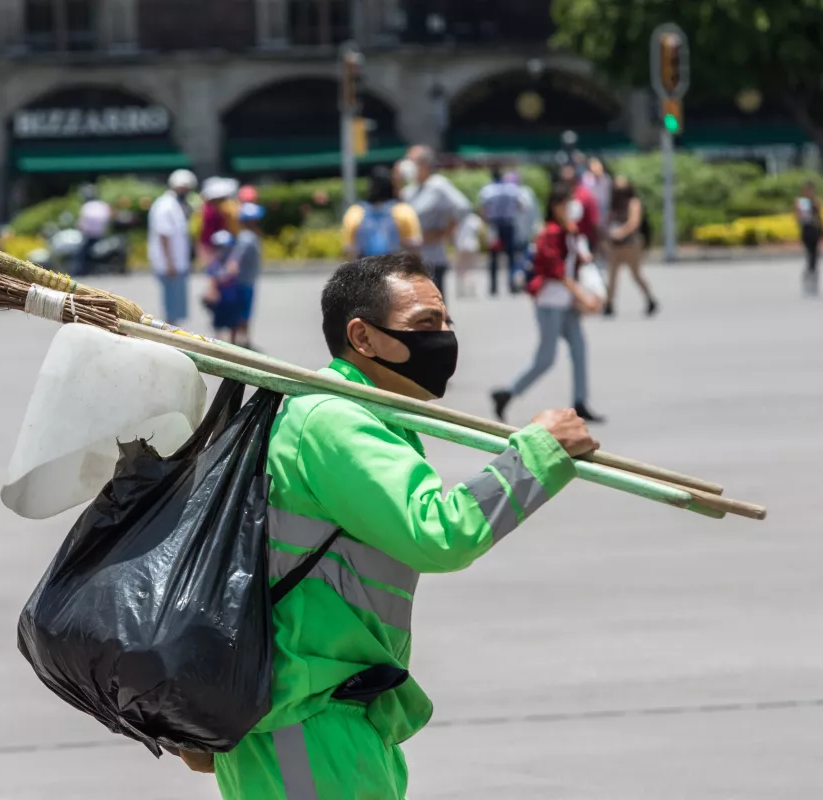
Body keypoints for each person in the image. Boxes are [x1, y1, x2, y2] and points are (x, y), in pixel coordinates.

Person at [212, 252, 598, 800]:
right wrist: (536, 454)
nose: (443, 338)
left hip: (333, 715)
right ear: (362, 337)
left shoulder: (350, 413)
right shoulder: (334, 420)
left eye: (446, 323)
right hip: (304, 718)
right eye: (424, 325)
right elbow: (438, 534)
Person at [491, 183, 606, 424]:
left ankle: (580, 401)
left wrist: (588, 290)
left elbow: (578, 263)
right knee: (546, 358)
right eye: (567, 204)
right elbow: (557, 271)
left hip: (566, 303)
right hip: (551, 303)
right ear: (556, 207)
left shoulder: (569, 232)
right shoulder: (551, 233)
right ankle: (508, 393)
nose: (572, 208)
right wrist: (583, 296)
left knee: (579, 348)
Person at [401, 145, 470, 296]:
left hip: (433, 259)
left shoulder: (438, 185)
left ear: (425, 164)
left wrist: (444, 233)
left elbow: (462, 208)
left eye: (412, 161)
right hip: (411, 261)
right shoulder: (409, 190)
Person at [148, 169, 197, 325]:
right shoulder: (165, 205)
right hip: (170, 264)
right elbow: (164, 235)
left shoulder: (175, 204)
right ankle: (172, 339)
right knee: (172, 305)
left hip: (177, 262)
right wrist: (169, 263)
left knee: (177, 304)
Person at [604, 176, 658, 316]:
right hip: (615, 245)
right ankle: (608, 304)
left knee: (636, 274)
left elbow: (634, 222)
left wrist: (620, 233)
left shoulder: (633, 202)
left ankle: (650, 299)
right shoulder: (613, 203)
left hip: (631, 244)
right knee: (612, 276)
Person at [343, 165, 422, 258]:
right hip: (395, 267)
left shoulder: (355, 212)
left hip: (365, 267)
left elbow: (348, 248)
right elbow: (415, 244)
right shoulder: (403, 210)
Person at [477, 169, 523, 295]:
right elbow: (520, 206)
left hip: (494, 225)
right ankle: (512, 285)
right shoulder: (511, 189)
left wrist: (485, 222)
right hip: (508, 224)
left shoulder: (487, 190)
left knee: (493, 257)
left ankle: (493, 287)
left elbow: (482, 209)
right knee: (511, 257)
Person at [228, 202, 265, 347]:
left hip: (247, 279)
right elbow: (236, 258)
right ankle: (240, 339)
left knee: (245, 312)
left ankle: (243, 338)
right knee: (242, 312)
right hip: (243, 281)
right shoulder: (247, 237)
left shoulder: (250, 235)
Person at [794, 180, 823, 296]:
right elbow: (799, 218)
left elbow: (821, 218)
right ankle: (808, 276)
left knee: (815, 255)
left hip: (815, 231)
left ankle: (813, 277)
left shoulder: (816, 202)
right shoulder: (802, 202)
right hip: (806, 231)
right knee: (810, 254)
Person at [75, 184, 112, 277]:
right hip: (101, 235)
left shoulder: (86, 206)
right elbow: (108, 220)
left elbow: (81, 223)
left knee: (81, 253)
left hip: (90, 236)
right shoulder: (102, 205)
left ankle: (81, 271)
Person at [453, 207, 484, 298]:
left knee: (460, 269)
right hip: (472, 245)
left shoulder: (457, 218)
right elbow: (481, 231)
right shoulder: (474, 219)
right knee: (472, 269)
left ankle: (460, 290)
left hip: (460, 246)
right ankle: (473, 290)